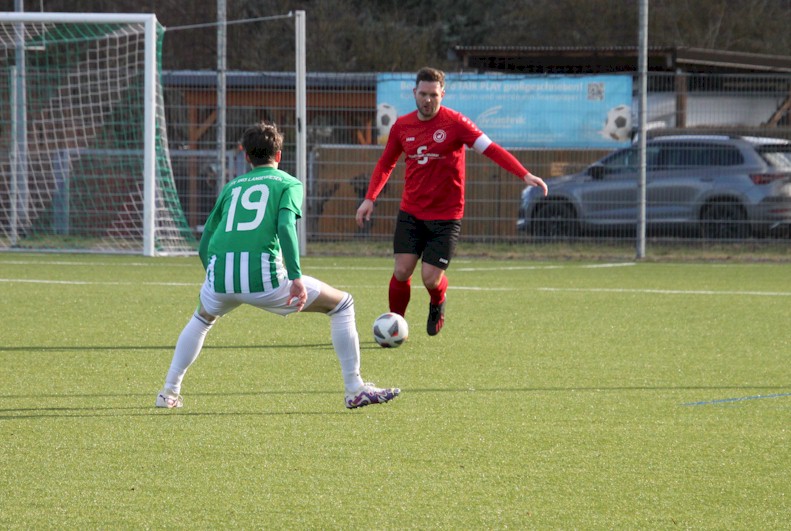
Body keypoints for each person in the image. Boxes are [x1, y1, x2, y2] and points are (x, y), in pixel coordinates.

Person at [157, 121, 399, 410]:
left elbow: (206, 240)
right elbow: (285, 226)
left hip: (219, 277)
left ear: (246, 156)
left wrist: (213, 275)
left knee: (201, 320)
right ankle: (354, 388)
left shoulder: (231, 186)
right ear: (280, 155)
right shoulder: (288, 183)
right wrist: (295, 277)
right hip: (265, 280)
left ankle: (168, 392)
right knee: (342, 305)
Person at [356, 67, 548, 336]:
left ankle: (437, 300)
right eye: (423, 94)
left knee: (430, 278)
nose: (427, 100)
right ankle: (394, 326)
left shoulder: (456, 123)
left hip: (446, 216)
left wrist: (524, 174)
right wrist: (370, 198)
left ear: (442, 95)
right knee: (401, 270)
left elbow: (491, 149)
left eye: (433, 95)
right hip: (411, 211)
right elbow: (386, 163)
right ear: (414, 93)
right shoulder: (402, 125)